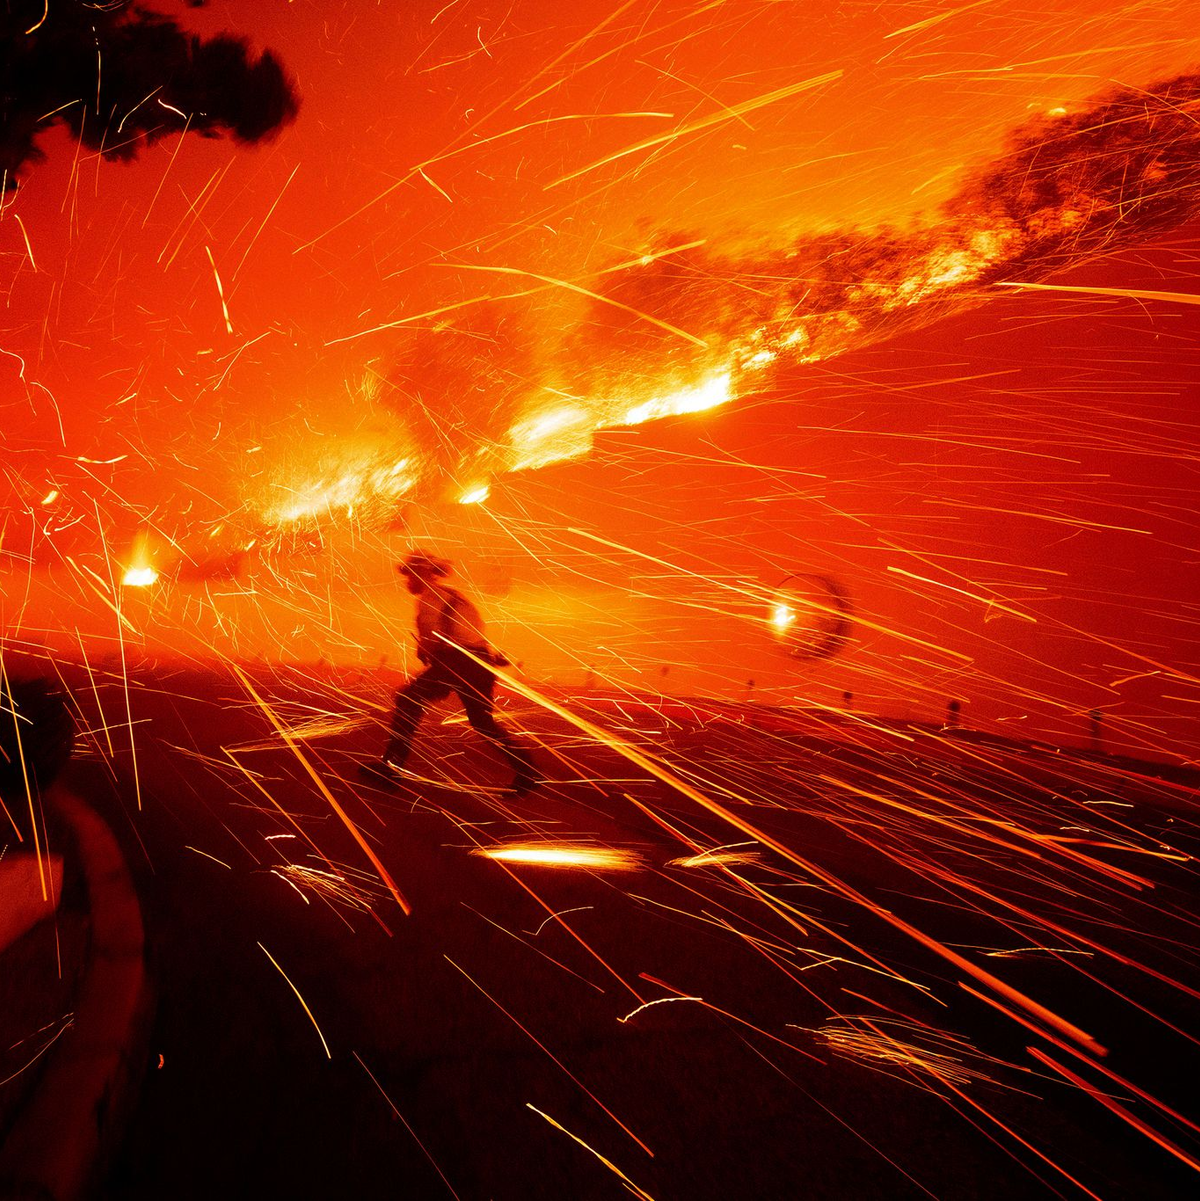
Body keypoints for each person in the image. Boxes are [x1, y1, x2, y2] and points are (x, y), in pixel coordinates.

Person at [363, 552, 539, 794]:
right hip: (479, 661)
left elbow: (430, 634)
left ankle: (391, 769)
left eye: (410, 575)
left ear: (422, 573)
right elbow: (473, 631)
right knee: (482, 722)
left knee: (407, 701)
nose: (407, 581)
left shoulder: (429, 597)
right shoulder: (455, 596)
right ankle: (527, 770)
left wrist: (424, 649)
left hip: (457, 663)